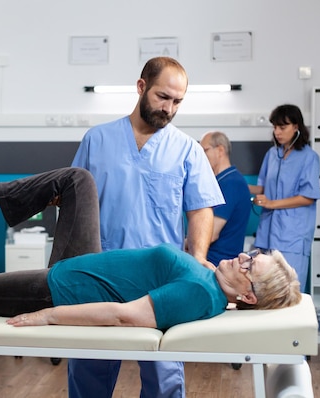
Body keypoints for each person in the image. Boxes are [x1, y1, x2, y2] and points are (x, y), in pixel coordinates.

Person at [0, 164, 301, 333]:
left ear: (250, 296)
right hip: (81, 264)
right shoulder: (206, 277)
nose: (242, 255)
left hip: (60, 289)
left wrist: (48, 316)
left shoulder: (201, 296)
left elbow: (126, 316)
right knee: (79, 181)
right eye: (250, 253)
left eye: (249, 265)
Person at [70, 56, 224, 397]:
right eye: (162, 97)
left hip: (161, 277)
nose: (169, 108)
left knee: (164, 373)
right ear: (141, 87)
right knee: (88, 368)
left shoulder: (186, 149)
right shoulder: (97, 141)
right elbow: (74, 205)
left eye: (177, 101)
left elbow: (201, 209)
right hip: (102, 271)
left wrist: (196, 260)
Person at [249, 104, 320, 292]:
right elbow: (263, 187)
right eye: (274, 127)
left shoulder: (309, 157)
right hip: (267, 232)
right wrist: (240, 187)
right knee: (263, 288)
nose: (277, 132)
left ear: (296, 127)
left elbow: (308, 197)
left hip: (292, 235)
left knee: (290, 288)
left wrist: (272, 203)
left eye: (282, 127)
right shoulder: (272, 154)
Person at [199, 131, 252, 266]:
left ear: (220, 150)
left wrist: (182, 243)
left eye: (205, 150)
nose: (201, 156)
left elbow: (211, 234)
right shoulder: (222, 181)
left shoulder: (231, 183)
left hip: (218, 262)